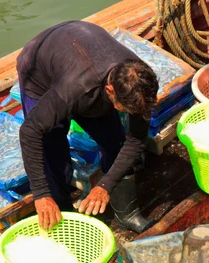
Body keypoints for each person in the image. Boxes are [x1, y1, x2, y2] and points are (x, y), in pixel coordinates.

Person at [17, 20, 159, 232]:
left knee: (117, 143)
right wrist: (40, 194)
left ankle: (126, 214)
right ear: (110, 91)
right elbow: (30, 132)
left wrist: (105, 185)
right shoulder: (75, 88)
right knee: (52, 149)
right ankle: (62, 215)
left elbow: (136, 139)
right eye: (125, 109)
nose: (132, 114)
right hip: (39, 73)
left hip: (81, 56)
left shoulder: (139, 79)